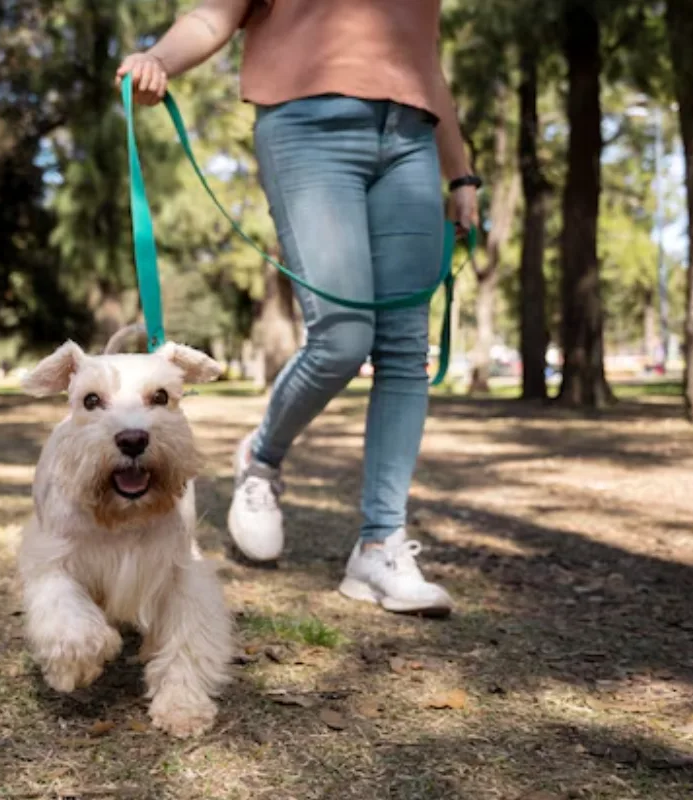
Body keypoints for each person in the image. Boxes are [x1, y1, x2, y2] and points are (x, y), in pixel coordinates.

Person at [117, 0, 479, 616]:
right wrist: (157, 59)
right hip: (308, 126)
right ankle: (262, 456)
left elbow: (426, 62)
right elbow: (213, 17)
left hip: (412, 138)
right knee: (342, 336)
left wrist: (462, 174)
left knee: (404, 347)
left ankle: (380, 544)